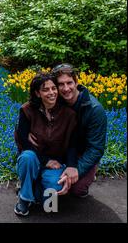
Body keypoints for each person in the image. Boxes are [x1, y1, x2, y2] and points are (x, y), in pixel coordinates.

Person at [29, 64, 107, 197]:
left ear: (76, 82)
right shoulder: (55, 97)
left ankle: (85, 177)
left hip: (82, 154)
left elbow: (96, 148)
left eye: (69, 83)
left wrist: (76, 169)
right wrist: (26, 131)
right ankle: (34, 179)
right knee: (55, 181)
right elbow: (30, 108)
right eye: (60, 84)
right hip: (58, 149)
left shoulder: (94, 110)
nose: (66, 89)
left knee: (76, 189)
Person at [14, 72, 78, 216]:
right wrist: (45, 160)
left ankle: (32, 187)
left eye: (54, 88)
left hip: (57, 163)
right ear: (37, 93)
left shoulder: (69, 114)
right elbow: (23, 141)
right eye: (45, 89)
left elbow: (73, 144)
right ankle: (24, 199)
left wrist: (71, 165)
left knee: (50, 206)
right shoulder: (26, 110)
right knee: (26, 157)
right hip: (35, 160)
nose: (51, 93)